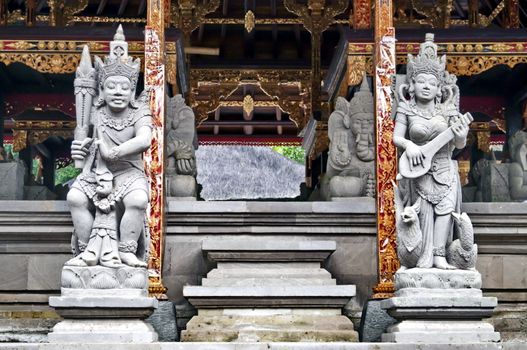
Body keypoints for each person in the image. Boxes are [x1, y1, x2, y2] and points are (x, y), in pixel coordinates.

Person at [65, 26, 152, 268]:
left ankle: (126, 250)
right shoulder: (94, 112)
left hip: (128, 172)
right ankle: (85, 250)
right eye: (112, 86)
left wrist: (114, 152)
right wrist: (79, 150)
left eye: (124, 88)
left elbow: (144, 139)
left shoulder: (140, 111)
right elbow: (82, 148)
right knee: (74, 197)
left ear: (132, 90)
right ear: (102, 88)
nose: (118, 92)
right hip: (96, 172)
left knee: (137, 200)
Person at [393, 33, 472, 270]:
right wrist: (410, 145)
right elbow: (396, 137)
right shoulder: (406, 109)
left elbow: (459, 145)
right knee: (425, 212)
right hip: (419, 171)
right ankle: (424, 257)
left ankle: (440, 255)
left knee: (445, 212)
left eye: (432, 83)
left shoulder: (447, 112)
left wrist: (460, 135)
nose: (426, 86)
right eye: (422, 81)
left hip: (445, 168)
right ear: (412, 84)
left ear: (439, 88)